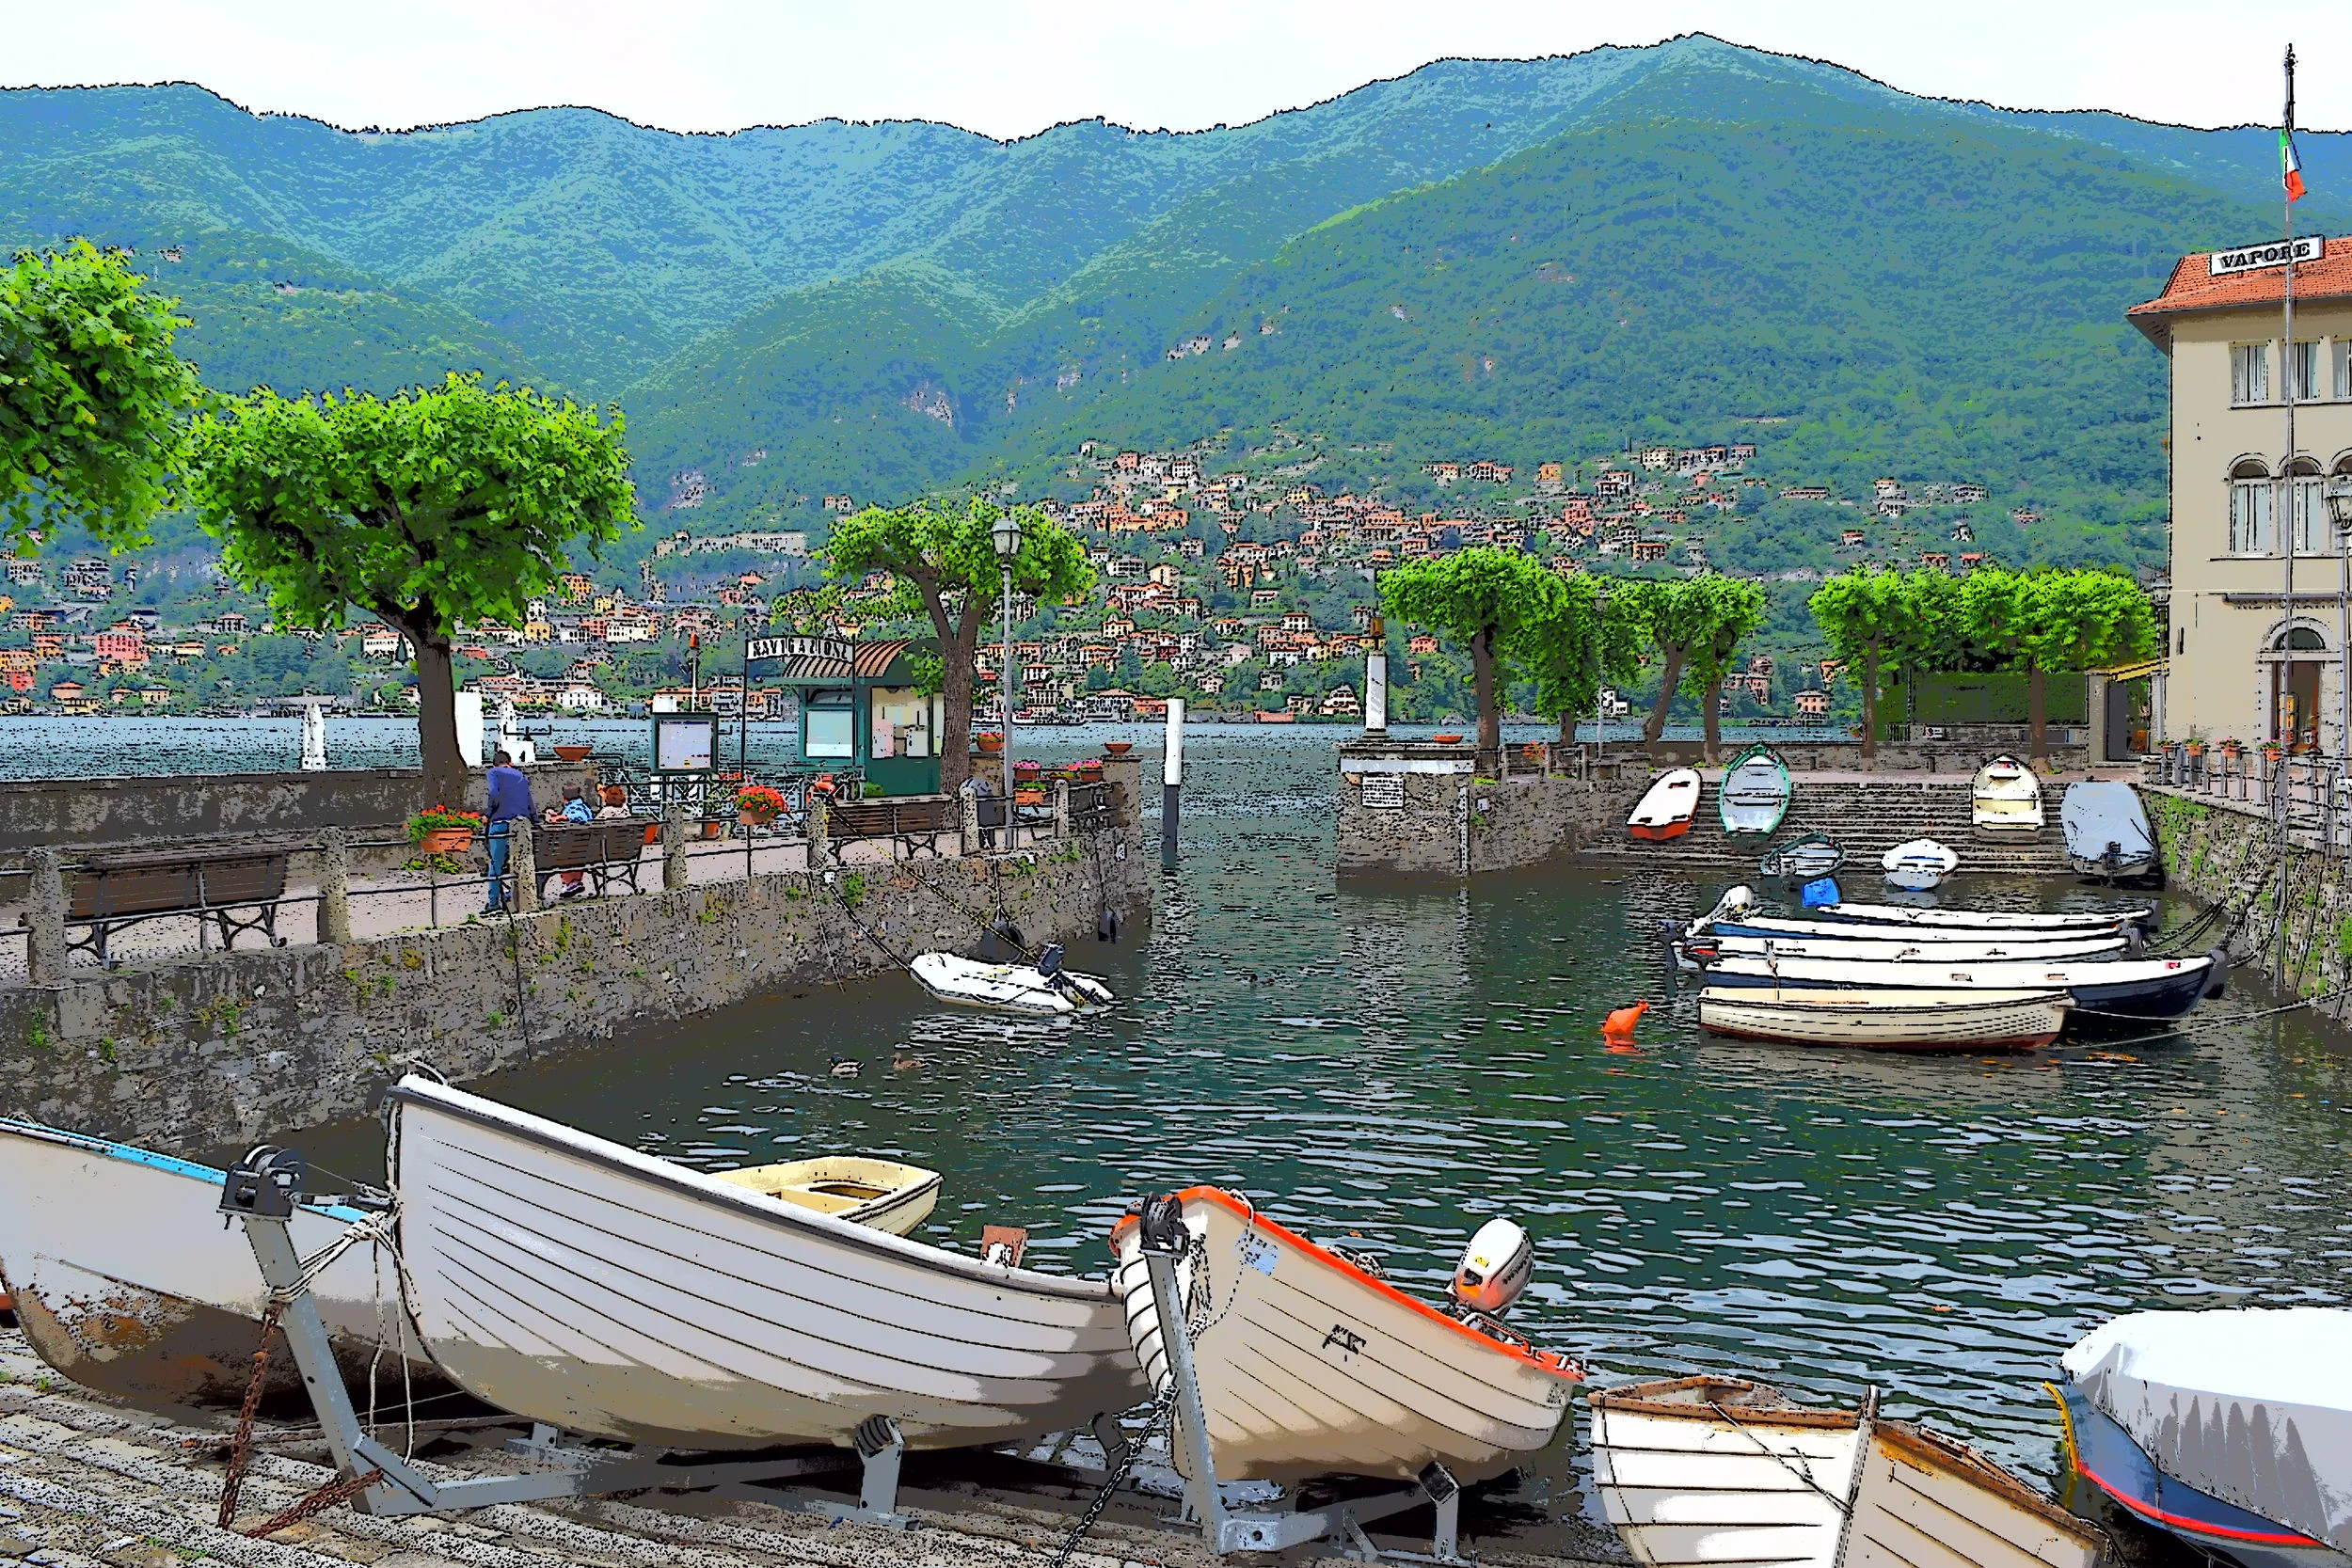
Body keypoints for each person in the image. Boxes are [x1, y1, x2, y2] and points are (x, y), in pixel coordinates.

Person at [483, 750, 532, 914]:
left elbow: (494, 793)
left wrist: (488, 815)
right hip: (521, 824)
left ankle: (493, 904)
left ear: (495, 764)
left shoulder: (493, 773)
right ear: (510, 762)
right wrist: (536, 821)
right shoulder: (520, 776)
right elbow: (529, 802)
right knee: (519, 862)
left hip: (500, 822)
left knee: (495, 864)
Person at [546, 784, 594, 899]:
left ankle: (570, 883)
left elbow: (579, 816)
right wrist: (560, 816)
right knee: (573, 853)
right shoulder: (583, 806)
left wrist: (560, 818)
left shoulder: (575, 807)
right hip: (586, 849)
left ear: (564, 797)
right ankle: (574, 882)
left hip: (574, 850)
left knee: (562, 854)